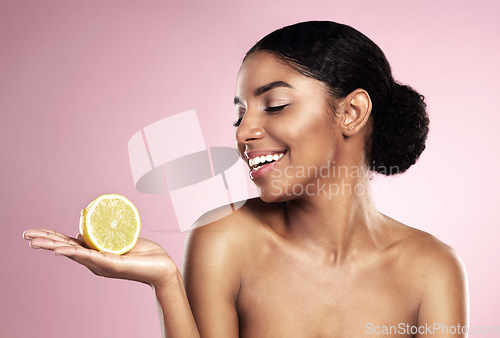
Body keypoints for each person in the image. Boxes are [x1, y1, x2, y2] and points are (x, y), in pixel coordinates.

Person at [23, 21, 468, 337]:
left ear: (351, 112)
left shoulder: (432, 269)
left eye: (273, 105)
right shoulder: (222, 240)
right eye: (239, 114)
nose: (242, 132)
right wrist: (167, 285)